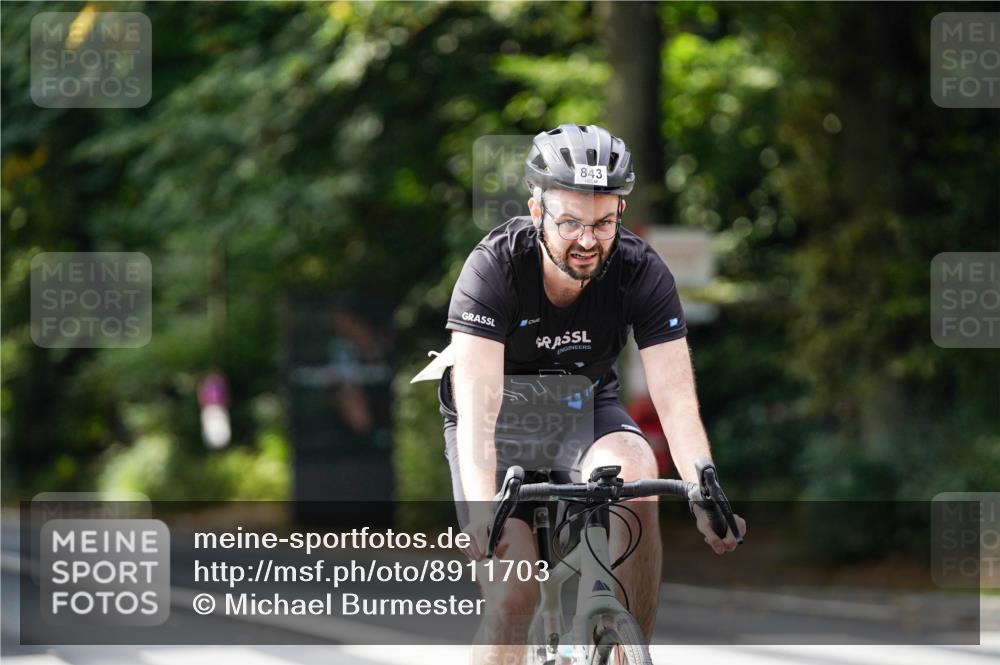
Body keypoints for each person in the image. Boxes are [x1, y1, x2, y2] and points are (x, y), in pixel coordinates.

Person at [434, 124, 746, 664]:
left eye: (603, 222)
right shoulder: (494, 269)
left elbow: (674, 399)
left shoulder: (639, 269)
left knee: (637, 473)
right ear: (537, 213)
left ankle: (623, 647)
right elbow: (479, 411)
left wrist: (703, 487)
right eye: (571, 222)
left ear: (619, 214)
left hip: (582, 406)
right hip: (496, 417)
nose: (586, 240)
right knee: (513, 598)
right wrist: (484, 511)